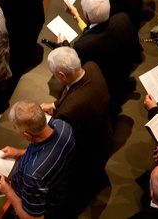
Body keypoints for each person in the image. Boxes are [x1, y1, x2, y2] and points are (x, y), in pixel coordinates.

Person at [41, 47, 112, 208]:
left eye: (55, 75)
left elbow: (63, 140)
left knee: (80, 183)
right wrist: (55, 104)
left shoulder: (69, 112)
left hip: (88, 149)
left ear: (61, 75)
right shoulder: (91, 67)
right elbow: (73, 91)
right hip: (104, 131)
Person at [0, 101, 77, 219]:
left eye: (16, 129)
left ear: (27, 135)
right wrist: (19, 152)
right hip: (60, 186)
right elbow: (48, 149)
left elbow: (34, 218)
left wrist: (8, 192)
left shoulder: (33, 175)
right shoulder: (63, 126)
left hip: (48, 204)